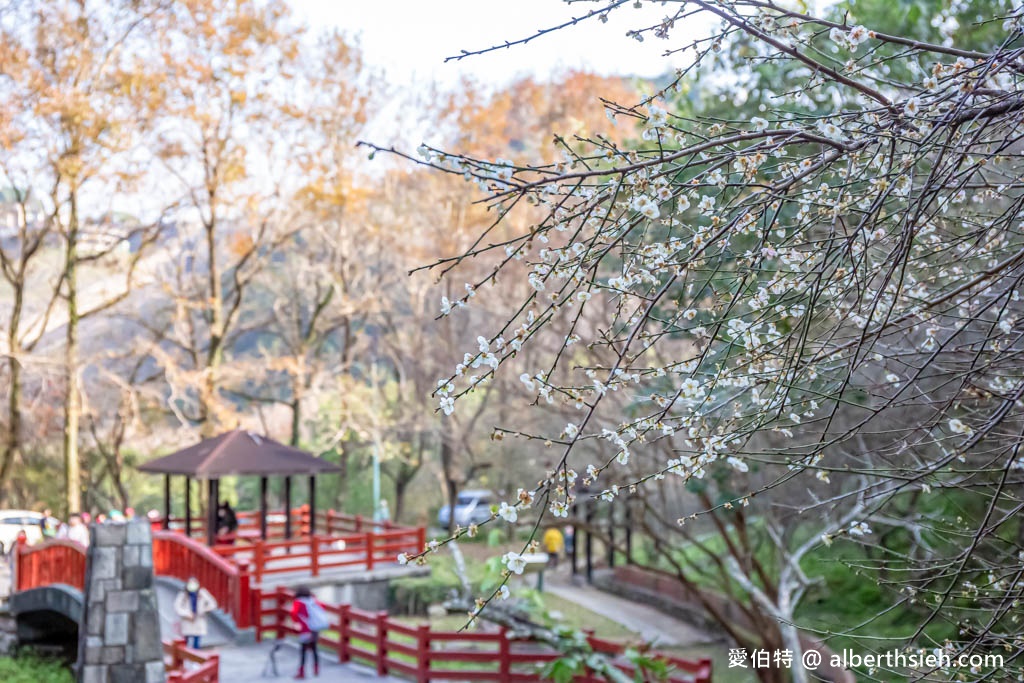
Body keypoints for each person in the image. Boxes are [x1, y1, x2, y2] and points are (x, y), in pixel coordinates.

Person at [289, 585, 328, 679]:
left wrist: (296, 622)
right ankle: (316, 668)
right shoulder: (313, 600)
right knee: (314, 648)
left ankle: (302, 672)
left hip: (305, 630)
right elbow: (323, 607)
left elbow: (293, 613)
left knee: (303, 650)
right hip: (314, 628)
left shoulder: (298, 602)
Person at [174, 577, 218, 649]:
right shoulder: (183, 595)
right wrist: (187, 614)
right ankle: (185, 657)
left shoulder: (202, 593)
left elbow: (213, 604)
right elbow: (177, 606)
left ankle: (195, 656)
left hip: (198, 620)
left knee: (196, 643)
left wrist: (203, 610)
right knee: (185, 642)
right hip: (187, 620)